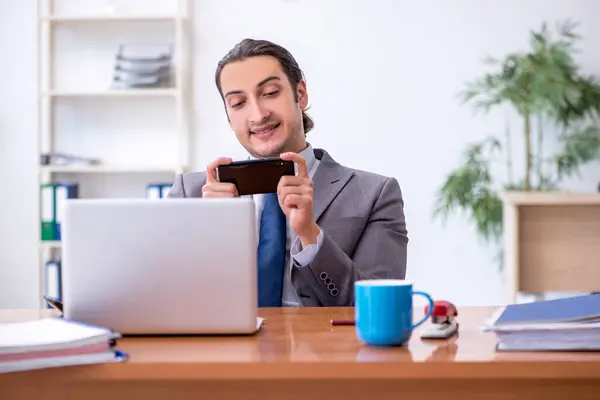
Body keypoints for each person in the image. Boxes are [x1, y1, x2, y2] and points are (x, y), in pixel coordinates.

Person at [168, 38, 408, 307]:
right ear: (228, 116)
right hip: (227, 348)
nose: (258, 115)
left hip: (327, 348)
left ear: (301, 95)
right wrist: (211, 231)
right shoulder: (189, 194)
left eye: (270, 93)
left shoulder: (375, 194)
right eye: (238, 103)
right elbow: (165, 303)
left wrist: (309, 234)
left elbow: (381, 309)